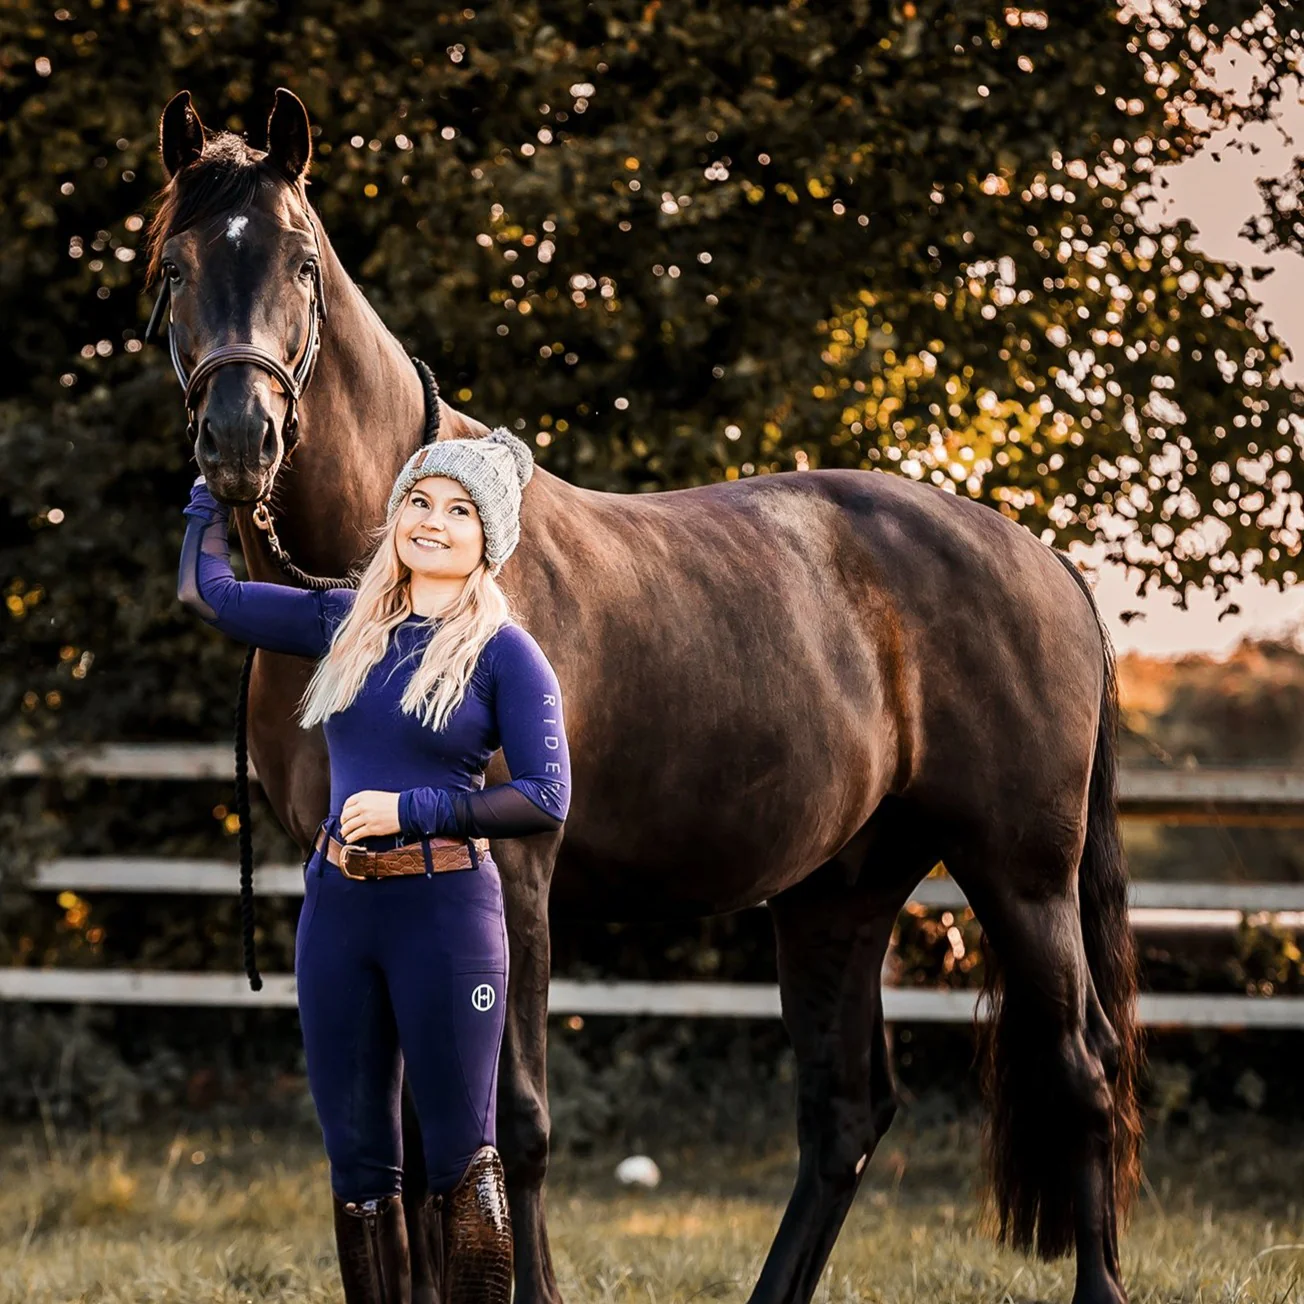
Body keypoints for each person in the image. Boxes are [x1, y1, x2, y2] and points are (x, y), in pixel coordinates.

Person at [177, 429, 570, 1304]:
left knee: (465, 1159)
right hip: (338, 911)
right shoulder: (341, 621)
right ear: (396, 515)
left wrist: (415, 809)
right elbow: (208, 593)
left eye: (460, 512)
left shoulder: (508, 654)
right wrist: (210, 491)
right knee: (357, 1160)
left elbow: (546, 798)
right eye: (421, 502)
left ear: (486, 541)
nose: (434, 522)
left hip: (447, 915)